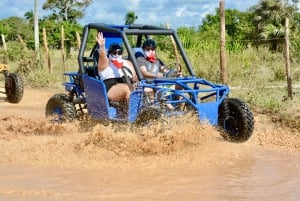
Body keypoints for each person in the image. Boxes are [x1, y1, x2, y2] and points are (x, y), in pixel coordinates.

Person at [96, 32, 137, 102]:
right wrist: (102, 47)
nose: (117, 54)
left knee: (148, 89)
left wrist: (136, 80)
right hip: (111, 87)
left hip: (129, 84)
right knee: (126, 88)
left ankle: (153, 110)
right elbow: (102, 58)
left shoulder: (128, 63)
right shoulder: (106, 64)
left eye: (120, 52)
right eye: (114, 52)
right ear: (109, 53)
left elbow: (135, 78)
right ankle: (131, 113)